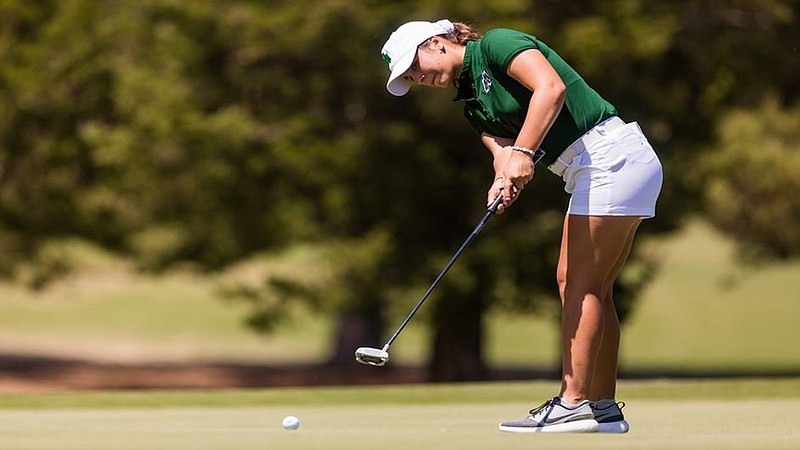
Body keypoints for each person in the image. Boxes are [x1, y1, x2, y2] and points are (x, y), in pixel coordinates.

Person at [380, 19, 663, 434]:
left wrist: (526, 152)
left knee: (576, 283)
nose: (419, 77)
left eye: (415, 65)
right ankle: (602, 408)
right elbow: (503, 154)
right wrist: (503, 179)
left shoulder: (497, 44)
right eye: (409, 78)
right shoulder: (473, 104)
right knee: (593, 288)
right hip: (601, 166)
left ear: (437, 43)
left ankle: (574, 403)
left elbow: (551, 88)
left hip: (609, 156)